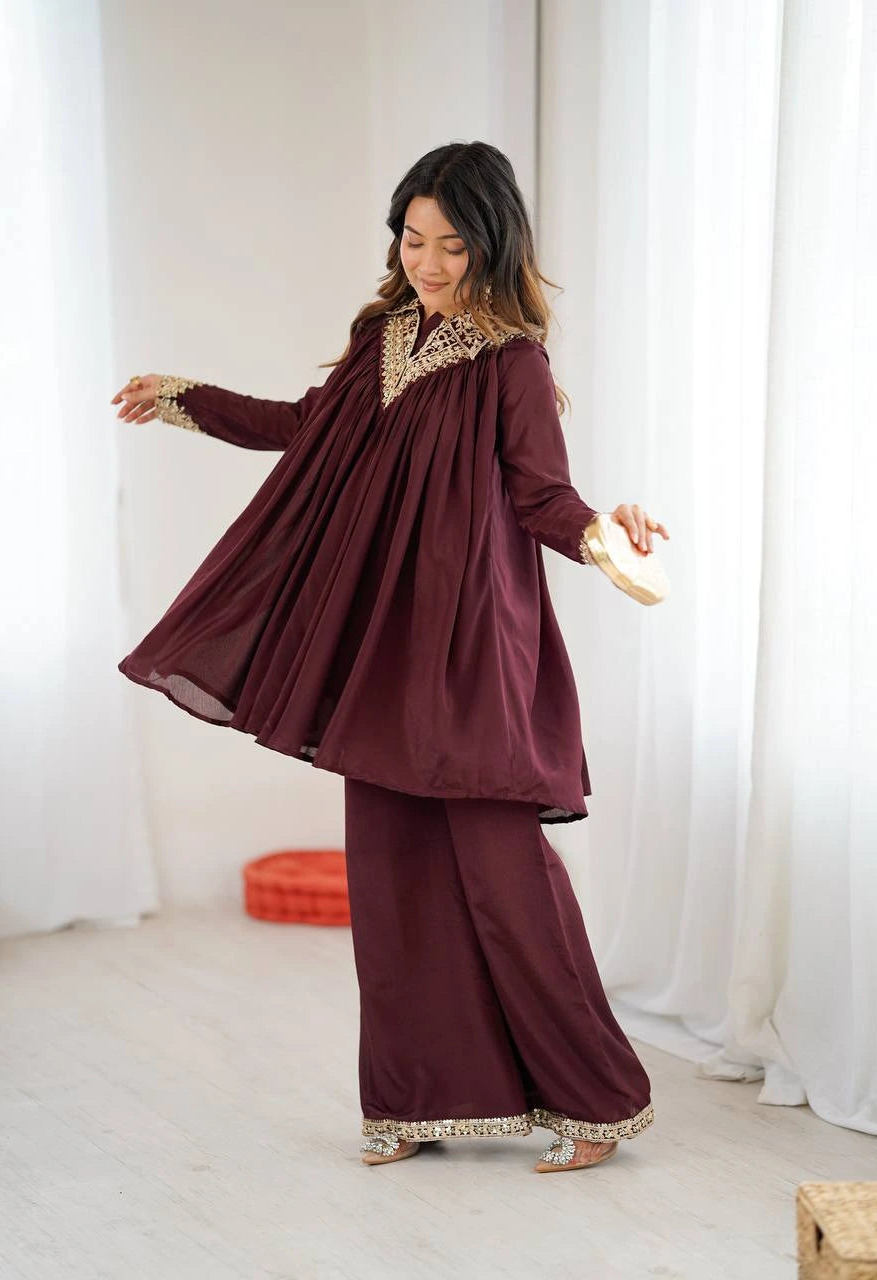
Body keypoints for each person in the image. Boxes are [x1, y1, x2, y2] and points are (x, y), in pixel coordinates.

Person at [112, 141, 669, 1173]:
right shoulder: (382, 334)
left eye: (451, 244)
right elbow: (303, 427)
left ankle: (593, 1100)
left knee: (507, 880)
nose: (427, 260)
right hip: (382, 648)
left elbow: (542, 497)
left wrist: (605, 533)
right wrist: (184, 396)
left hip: (473, 651)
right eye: (412, 239)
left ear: (490, 245)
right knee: (390, 875)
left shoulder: (513, 362)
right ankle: (417, 1099)